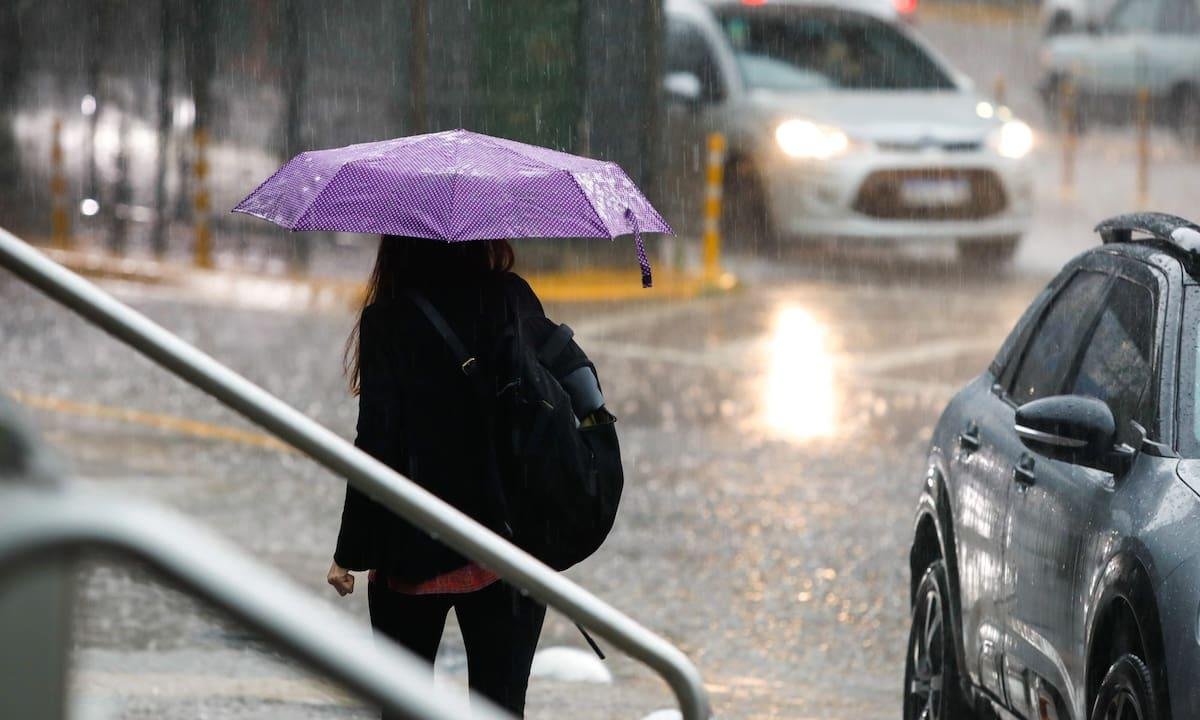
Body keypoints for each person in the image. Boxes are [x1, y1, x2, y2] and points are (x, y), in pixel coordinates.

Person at [327, 235, 547, 718]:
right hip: (504, 545)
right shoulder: (512, 299)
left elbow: (376, 446)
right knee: (501, 709)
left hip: (413, 547)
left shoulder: (388, 319)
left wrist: (349, 553)